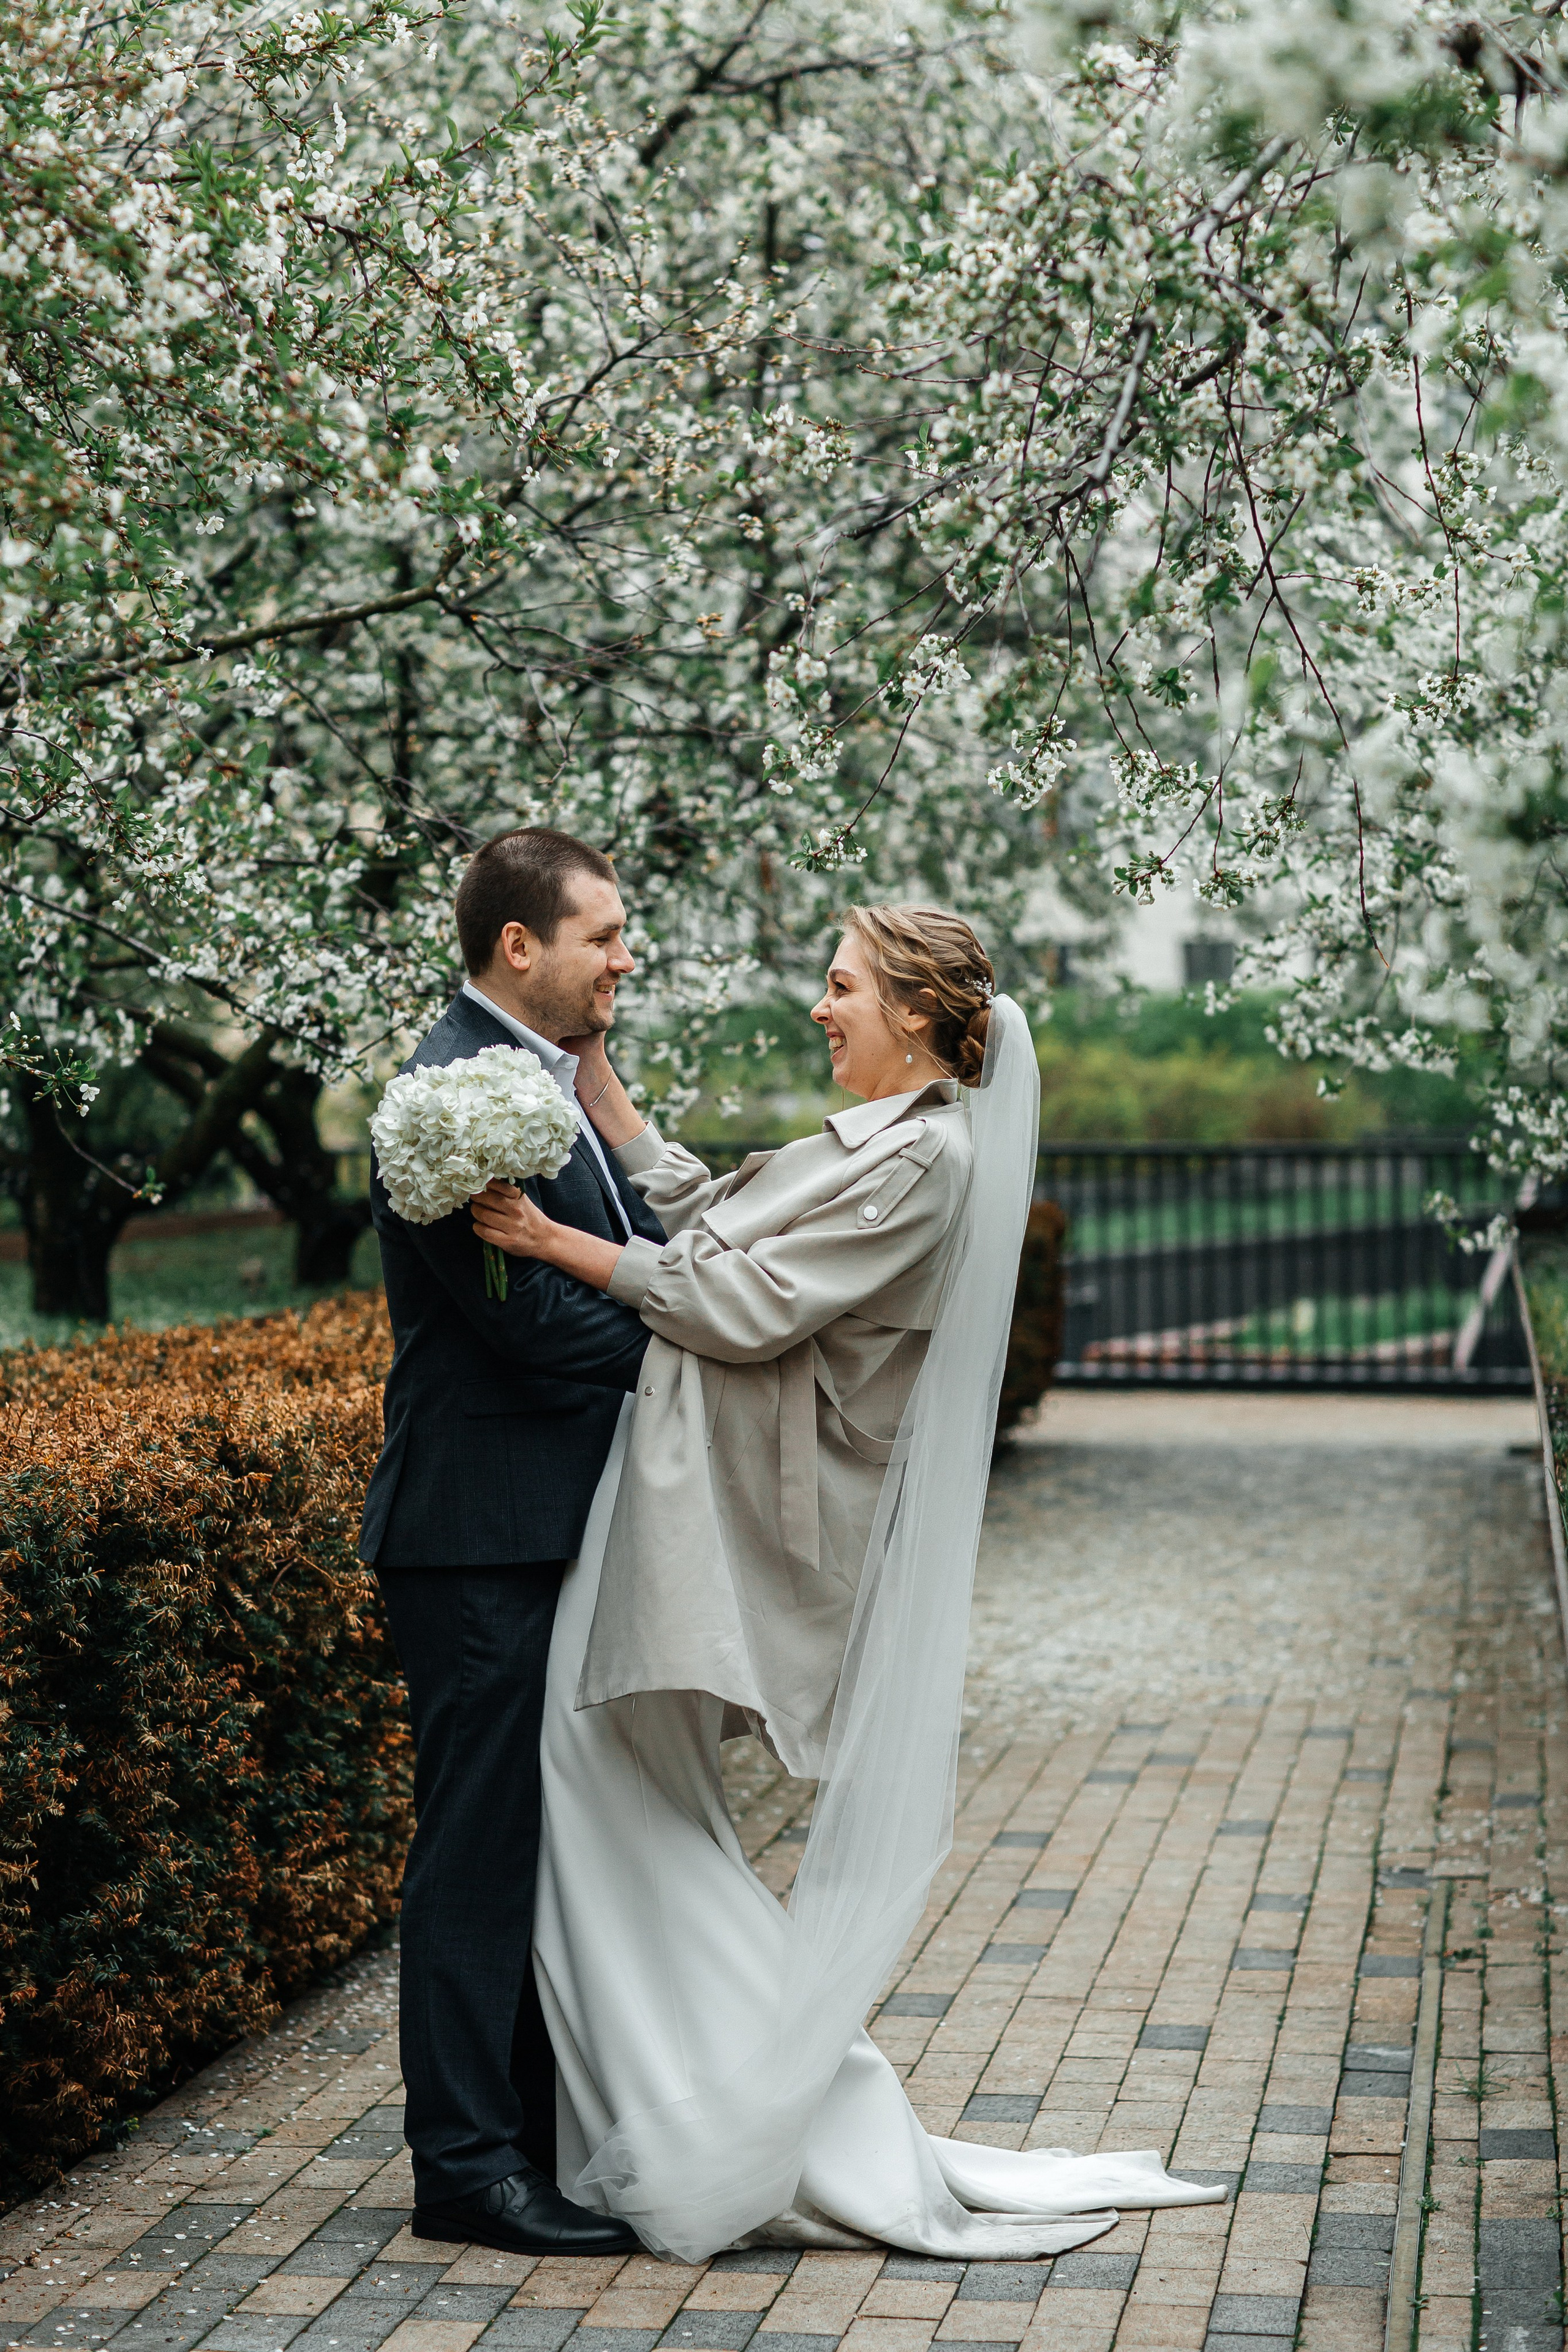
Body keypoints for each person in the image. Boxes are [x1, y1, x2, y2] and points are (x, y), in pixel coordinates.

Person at [470, 904, 1226, 2260]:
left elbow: (736, 1305)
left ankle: (787, 2116)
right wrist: (598, 1091)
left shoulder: (923, 1163)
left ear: (921, 1018)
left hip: (712, 1517)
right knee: (625, 1807)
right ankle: (692, 2110)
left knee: (610, 1796)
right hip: (671, 1500)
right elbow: (718, 1231)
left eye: (840, 987)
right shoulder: (873, 1147)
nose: (818, 1009)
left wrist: (549, 1241)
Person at [361, 826, 663, 2258]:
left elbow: (637, 1238)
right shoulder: (445, 1098)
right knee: (476, 1854)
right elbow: (526, 1324)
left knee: (545, 1848)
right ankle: (466, 2171)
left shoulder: (554, 1088)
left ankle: (537, 2139)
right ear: (517, 948)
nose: (624, 956)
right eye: (603, 933)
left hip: (552, 1524)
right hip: (475, 1537)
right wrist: (691, 1340)